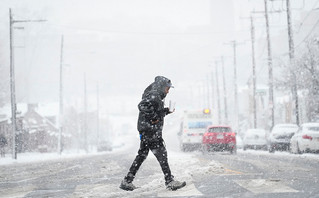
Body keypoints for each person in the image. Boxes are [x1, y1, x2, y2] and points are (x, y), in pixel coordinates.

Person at [120, 76, 186, 191]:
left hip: (148, 130)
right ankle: (169, 181)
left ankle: (127, 181)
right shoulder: (154, 94)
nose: (168, 91)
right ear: (161, 86)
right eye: (167, 88)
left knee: (142, 155)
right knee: (162, 155)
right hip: (150, 131)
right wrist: (153, 118)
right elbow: (142, 105)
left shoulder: (155, 95)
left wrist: (166, 111)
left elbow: (154, 111)